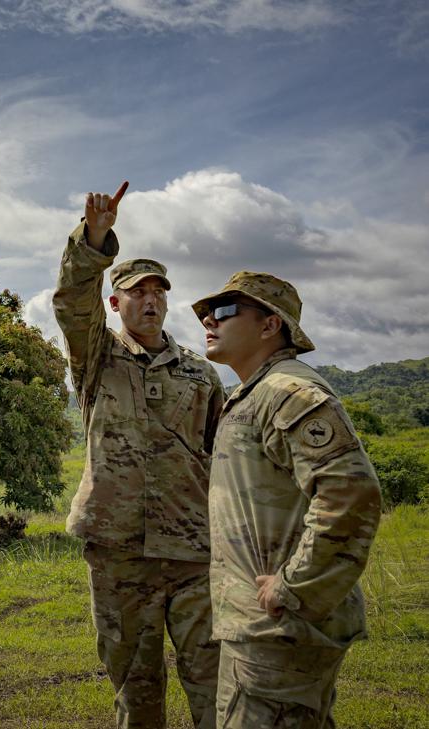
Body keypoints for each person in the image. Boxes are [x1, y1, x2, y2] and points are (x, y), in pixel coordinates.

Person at [54, 181, 224, 728]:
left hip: (194, 551)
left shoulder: (201, 374)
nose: (150, 301)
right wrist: (92, 239)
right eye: (136, 292)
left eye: (158, 292)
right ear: (115, 302)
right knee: (138, 688)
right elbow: (71, 303)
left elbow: (222, 458)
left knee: (216, 685)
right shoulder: (96, 357)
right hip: (120, 552)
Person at [193, 272, 381, 728]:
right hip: (263, 627)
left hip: (276, 627)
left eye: (224, 310)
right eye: (206, 313)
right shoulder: (254, 392)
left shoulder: (288, 393)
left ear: (269, 325)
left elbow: (350, 491)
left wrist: (294, 586)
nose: (208, 321)